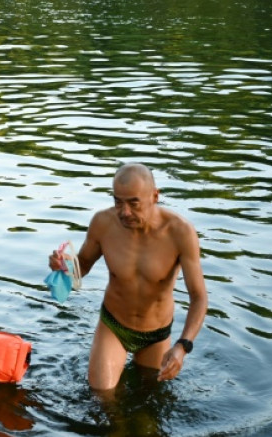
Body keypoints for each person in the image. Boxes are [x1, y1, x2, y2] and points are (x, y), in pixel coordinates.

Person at [48, 163, 208, 391]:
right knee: (102, 396)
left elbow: (199, 297)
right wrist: (63, 266)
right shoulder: (103, 223)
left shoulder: (180, 232)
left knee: (149, 399)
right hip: (114, 326)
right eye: (118, 202)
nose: (124, 212)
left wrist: (182, 346)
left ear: (155, 196)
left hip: (156, 334)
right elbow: (82, 266)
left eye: (134, 203)